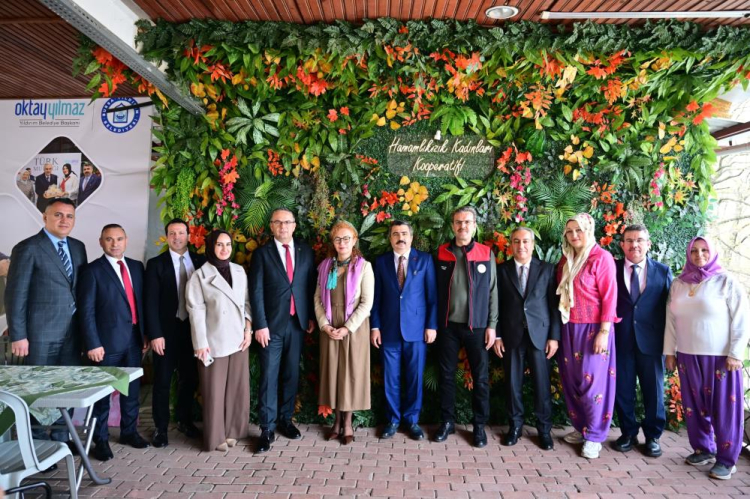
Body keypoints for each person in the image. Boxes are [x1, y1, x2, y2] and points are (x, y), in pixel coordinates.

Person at [664, 237, 750, 480]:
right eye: (694, 250)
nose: (699, 255)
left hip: (721, 357)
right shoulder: (679, 283)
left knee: (724, 409)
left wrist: (736, 353)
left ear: (712, 253)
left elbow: (742, 318)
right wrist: (669, 351)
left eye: (704, 250)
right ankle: (703, 449)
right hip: (687, 355)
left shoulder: (726, 281)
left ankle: (727, 460)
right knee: (694, 406)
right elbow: (671, 321)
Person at [5, 198, 87, 441]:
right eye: (58, 215)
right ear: (45, 217)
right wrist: (19, 335)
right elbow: (15, 294)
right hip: (39, 335)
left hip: (73, 334)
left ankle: (62, 438)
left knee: (68, 386)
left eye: (69, 216)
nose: (64, 220)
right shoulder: (28, 248)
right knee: (38, 389)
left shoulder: (78, 247)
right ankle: (37, 442)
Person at [78, 224, 150, 461]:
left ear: (126, 240)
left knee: (131, 390)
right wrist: (92, 343)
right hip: (105, 344)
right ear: (101, 242)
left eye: (119, 239)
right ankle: (100, 440)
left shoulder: (136, 267)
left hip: (134, 340)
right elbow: (86, 311)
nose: (115, 243)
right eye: (109, 239)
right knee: (103, 394)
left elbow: (140, 303)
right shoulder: (92, 271)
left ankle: (129, 432)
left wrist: (145, 333)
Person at [249, 208, 316, 453]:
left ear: (294, 225)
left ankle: (286, 420)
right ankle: (266, 428)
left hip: (297, 324)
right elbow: (256, 291)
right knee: (269, 376)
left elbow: (310, 286)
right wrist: (260, 325)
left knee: (291, 374)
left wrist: (310, 317)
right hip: (271, 327)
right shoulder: (262, 254)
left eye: (287, 222)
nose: (283, 226)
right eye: (278, 222)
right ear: (271, 226)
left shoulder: (306, 252)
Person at [433, 206, 498, 448]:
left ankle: (479, 426)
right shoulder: (441, 253)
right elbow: (432, 291)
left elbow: (493, 291)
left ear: (474, 225)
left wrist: (492, 325)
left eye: (467, 222)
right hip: (447, 326)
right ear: (453, 226)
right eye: (458, 222)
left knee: (480, 378)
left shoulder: (485, 253)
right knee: (446, 376)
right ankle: (447, 422)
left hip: (477, 326)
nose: (463, 226)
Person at [556, 213, 618, 459]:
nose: (574, 235)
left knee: (592, 384)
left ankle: (594, 435)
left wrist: (604, 331)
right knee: (572, 381)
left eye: (579, 230)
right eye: (570, 231)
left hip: (594, 329)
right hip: (568, 326)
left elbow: (609, 297)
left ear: (589, 231)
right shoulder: (566, 259)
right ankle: (582, 427)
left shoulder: (601, 258)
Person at [370, 220, 438, 441]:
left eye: (404, 233)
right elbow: (376, 298)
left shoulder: (425, 260)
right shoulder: (381, 262)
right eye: (395, 234)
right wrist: (375, 326)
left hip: (417, 331)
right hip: (388, 330)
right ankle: (392, 420)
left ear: (411, 236)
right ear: (390, 238)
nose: (400, 237)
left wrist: (431, 325)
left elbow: (432, 297)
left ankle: (412, 420)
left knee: (414, 377)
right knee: (390, 378)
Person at [494, 227, 560, 450]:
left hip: (540, 336)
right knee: (513, 385)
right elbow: (496, 306)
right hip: (511, 336)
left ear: (533, 244)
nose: (521, 246)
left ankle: (544, 430)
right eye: (516, 241)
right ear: (510, 244)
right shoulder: (501, 270)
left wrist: (554, 337)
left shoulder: (547, 270)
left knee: (542, 385)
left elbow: (553, 306)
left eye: (525, 241)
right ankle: (515, 427)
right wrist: (498, 335)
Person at [186, 230, 252, 452]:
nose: (225, 249)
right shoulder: (200, 276)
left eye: (228, 244)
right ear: (211, 247)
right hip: (214, 340)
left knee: (237, 388)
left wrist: (248, 330)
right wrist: (200, 344)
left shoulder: (239, 271)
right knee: (214, 391)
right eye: (219, 245)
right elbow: (196, 311)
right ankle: (215, 437)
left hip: (239, 339)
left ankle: (234, 431)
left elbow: (246, 303)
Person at [144, 219, 205, 448]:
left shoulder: (200, 261)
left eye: (181, 233)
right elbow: (150, 302)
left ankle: (184, 420)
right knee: (162, 381)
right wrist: (155, 334)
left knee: (189, 379)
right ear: (167, 236)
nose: (177, 237)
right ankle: (160, 428)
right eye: (172, 233)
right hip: (165, 334)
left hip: (192, 332)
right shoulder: (156, 264)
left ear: (189, 235)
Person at [613, 225, 672, 458]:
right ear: (622, 245)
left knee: (654, 391)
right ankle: (628, 433)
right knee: (622, 390)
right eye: (629, 240)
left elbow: (671, 310)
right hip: (621, 340)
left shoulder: (662, 271)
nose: (634, 244)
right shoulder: (612, 269)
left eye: (639, 240)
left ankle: (653, 436)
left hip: (652, 342)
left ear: (648, 244)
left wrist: (672, 346)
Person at [315, 220, 374, 445]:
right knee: (333, 374)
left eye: (346, 238)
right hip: (330, 327)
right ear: (333, 242)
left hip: (353, 328)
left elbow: (367, 303)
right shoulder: (325, 267)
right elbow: (317, 299)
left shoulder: (364, 267)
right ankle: (336, 422)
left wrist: (347, 328)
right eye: (338, 239)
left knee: (350, 375)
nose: (342, 243)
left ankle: (347, 423)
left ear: (354, 240)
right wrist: (324, 325)